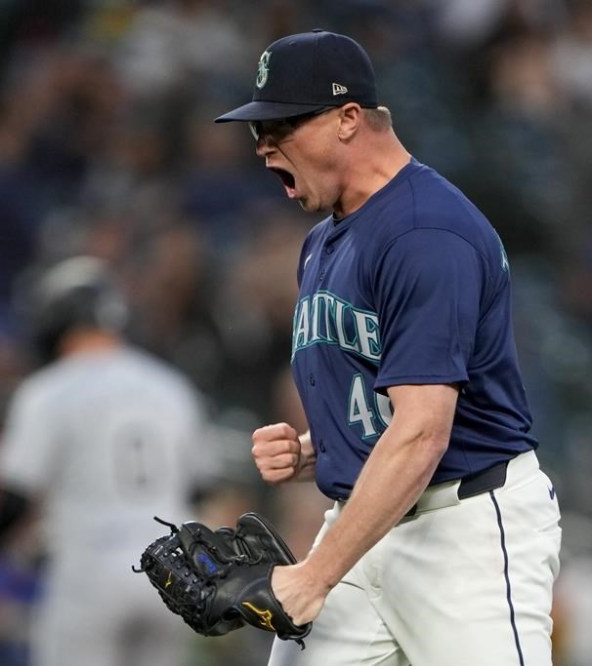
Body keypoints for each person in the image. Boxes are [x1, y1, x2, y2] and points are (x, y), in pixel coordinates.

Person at [214, 30, 562, 665]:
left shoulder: (426, 232)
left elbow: (424, 431)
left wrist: (313, 578)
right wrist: (318, 448)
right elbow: (392, 398)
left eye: (282, 126)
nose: (263, 147)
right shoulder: (324, 239)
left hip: (464, 534)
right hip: (364, 523)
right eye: (258, 131)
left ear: (349, 119)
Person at [0, 255, 216, 666]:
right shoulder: (171, 387)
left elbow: (14, 497)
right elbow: (201, 489)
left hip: (90, 569)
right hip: (172, 573)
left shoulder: (48, 391)